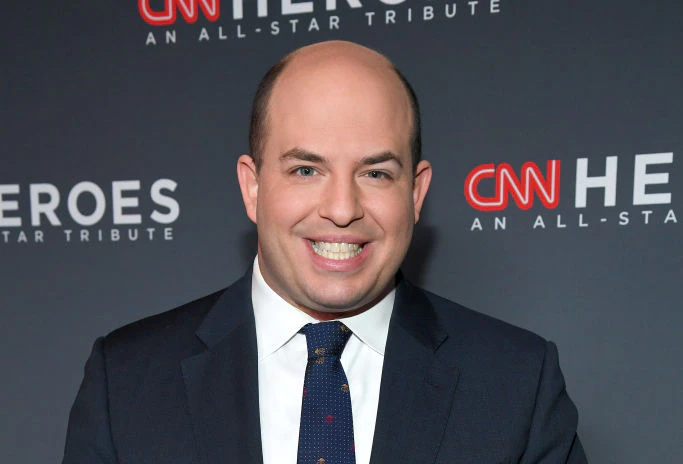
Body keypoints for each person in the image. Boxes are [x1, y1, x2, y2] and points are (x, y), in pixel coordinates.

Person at [63, 40, 587, 464]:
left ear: (416, 193)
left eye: (375, 173)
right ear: (252, 187)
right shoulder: (127, 381)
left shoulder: (517, 383)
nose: (342, 209)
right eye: (306, 170)